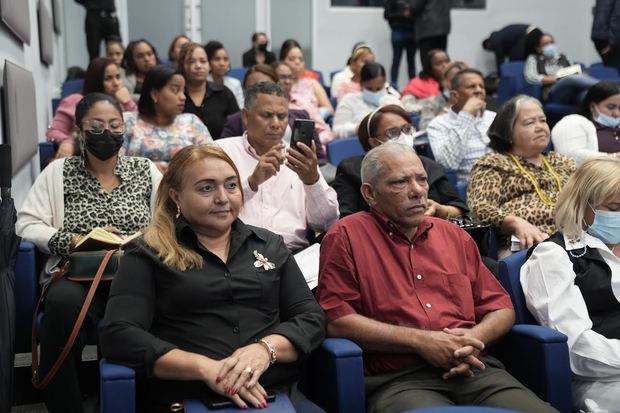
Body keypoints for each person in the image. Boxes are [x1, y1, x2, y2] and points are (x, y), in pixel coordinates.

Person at [316, 143, 557, 413]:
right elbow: (338, 321)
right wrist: (423, 341)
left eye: (421, 180)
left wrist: (470, 341)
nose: (417, 191)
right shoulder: (346, 236)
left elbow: (500, 308)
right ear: (370, 193)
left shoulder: (455, 236)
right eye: (400, 182)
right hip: (399, 379)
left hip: (475, 370)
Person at [100, 145, 326, 413]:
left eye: (231, 185)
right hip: (187, 398)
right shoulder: (148, 253)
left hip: (275, 395)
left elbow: (311, 319)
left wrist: (265, 350)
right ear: (176, 196)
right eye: (206, 188)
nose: (222, 197)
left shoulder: (269, 245)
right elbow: (119, 334)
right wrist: (207, 368)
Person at [16, 93, 162, 413]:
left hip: (136, 272)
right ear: (79, 131)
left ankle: (155, 400)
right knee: (62, 304)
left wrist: (136, 242)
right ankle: (65, 403)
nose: (107, 133)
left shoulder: (145, 169)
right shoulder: (58, 172)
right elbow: (27, 224)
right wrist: (74, 240)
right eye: (96, 126)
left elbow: (168, 220)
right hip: (79, 271)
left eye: (114, 125)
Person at [521, 157, 620, 412]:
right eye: (615, 207)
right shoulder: (552, 256)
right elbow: (576, 348)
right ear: (582, 204)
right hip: (600, 379)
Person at [215, 82, 339, 254]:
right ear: (245, 116)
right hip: (236, 253)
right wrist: (251, 183)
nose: (275, 124)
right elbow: (209, 208)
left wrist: (312, 182)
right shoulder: (219, 153)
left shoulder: (300, 159)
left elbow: (326, 223)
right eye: (266, 115)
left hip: (291, 255)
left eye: (282, 116)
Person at [468, 95, 576, 256]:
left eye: (542, 120)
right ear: (508, 132)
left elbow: (590, 197)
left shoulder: (561, 161)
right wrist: (514, 222)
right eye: (530, 123)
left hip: (576, 236)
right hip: (530, 244)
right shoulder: (492, 163)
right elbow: (479, 209)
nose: (540, 127)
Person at [333, 104, 467, 219]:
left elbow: (459, 208)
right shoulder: (352, 169)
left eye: (407, 129)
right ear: (374, 142)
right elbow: (345, 216)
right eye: (393, 132)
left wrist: (440, 210)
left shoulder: (429, 166)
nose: (403, 136)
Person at [219, 64, 326, 162]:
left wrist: (312, 178)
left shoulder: (301, 115)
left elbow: (319, 157)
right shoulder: (232, 129)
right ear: (246, 116)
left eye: (267, 86)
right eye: (254, 87)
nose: (275, 124)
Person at [124, 65, 213, 172]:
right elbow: (112, 164)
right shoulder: (128, 121)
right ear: (155, 94)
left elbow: (211, 159)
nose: (183, 97)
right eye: (175, 90)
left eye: (183, 91)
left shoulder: (191, 121)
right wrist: (148, 169)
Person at [46, 57, 137, 158]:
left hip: (122, 160)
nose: (116, 83)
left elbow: (142, 130)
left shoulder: (121, 104)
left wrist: (128, 102)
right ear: (96, 80)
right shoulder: (75, 100)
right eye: (108, 78)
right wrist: (68, 141)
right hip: (83, 157)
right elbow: (54, 132)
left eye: (118, 77)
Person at [427, 68, 495, 185]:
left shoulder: (493, 117)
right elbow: (449, 163)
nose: (479, 90)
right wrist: (466, 115)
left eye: (481, 86)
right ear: (454, 95)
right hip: (473, 185)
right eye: (471, 87)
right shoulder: (438, 125)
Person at [178, 42, 240, 139]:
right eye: (191, 61)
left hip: (221, 151)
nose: (198, 66)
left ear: (209, 65)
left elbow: (238, 127)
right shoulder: (176, 95)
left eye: (203, 61)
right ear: (182, 66)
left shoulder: (223, 93)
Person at [552, 81, 620, 164]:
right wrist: (614, 158)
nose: (616, 113)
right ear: (593, 106)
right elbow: (570, 156)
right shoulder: (574, 121)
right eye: (610, 107)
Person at [524, 32, 598, 105]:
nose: (550, 46)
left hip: (572, 91)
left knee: (586, 95)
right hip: (553, 93)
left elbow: (573, 71)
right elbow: (532, 78)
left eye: (552, 42)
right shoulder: (534, 58)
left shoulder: (563, 57)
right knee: (570, 78)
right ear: (538, 48)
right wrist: (557, 79)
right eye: (545, 44)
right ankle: (603, 86)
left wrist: (582, 75)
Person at [332, 63, 401, 139]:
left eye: (378, 89)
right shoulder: (349, 100)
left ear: (384, 83)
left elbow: (404, 126)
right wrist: (359, 128)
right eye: (369, 89)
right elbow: (337, 131)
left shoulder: (393, 101)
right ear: (361, 84)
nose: (374, 93)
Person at [275, 62, 334, 148]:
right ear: (273, 79)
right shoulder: (270, 107)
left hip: (307, 151)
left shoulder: (303, 103)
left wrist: (311, 143)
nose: (287, 81)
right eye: (283, 77)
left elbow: (325, 130)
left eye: (290, 77)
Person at [402, 60, 468, 131]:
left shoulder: (476, 101)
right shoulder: (432, 103)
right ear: (445, 82)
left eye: (465, 81)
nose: (460, 85)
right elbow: (425, 129)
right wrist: (449, 107)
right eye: (454, 80)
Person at [280, 39, 334, 119]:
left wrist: (313, 114)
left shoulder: (312, 83)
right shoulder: (278, 85)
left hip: (314, 125)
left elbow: (330, 109)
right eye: (292, 59)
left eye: (301, 59)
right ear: (282, 61)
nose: (297, 62)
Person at [384, 0, 416, 84]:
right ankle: (393, 86)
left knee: (411, 62)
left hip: (412, 32)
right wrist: (403, 15)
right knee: (396, 61)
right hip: (397, 31)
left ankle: (414, 86)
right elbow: (386, 14)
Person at [205, 40, 245, 108]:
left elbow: (240, 108)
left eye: (225, 59)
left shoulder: (235, 83)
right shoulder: (203, 83)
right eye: (217, 59)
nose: (222, 63)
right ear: (208, 62)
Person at [411, 0, 451, 67]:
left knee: (428, 63)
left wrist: (408, 12)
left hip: (427, 28)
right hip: (443, 28)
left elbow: (415, 6)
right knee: (442, 62)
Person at [592, 0, 620, 72]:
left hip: (600, 36)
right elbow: (617, 16)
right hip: (610, 40)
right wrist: (612, 43)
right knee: (614, 73)